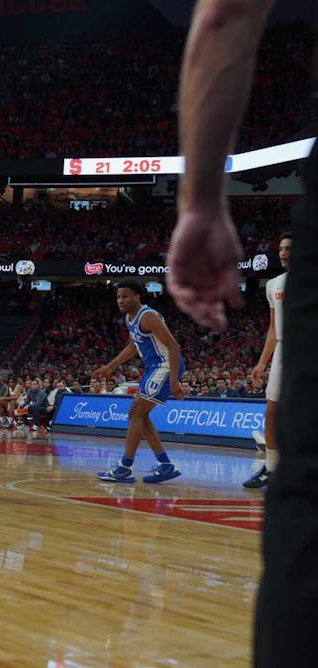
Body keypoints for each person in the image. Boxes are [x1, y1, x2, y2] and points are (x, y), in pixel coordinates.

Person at [165, 2, 317, 663]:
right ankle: (268, 461)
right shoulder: (272, 286)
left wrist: (199, 200)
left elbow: (226, 16)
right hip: (279, 353)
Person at [93, 280, 185, 483]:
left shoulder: (148, 316)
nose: (120, 300)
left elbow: (174, 347)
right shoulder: (129, 318)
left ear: (137, 297)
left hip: (165, 365)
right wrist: (110, 366)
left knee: (135, 412)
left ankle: (125, 467)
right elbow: (134, 346)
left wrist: (173, 381)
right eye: (118, 297)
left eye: (125, 296)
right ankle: (165, 465)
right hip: (153, 367)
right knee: (140, 416)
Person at [243, 231, 290, 489]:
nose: (284, 252)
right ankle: (271, 467)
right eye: (281, 248)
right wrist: (262, 363)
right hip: (283, 349)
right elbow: (273, 329)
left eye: (290, 248)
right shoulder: (273, 285)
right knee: (271, 411)